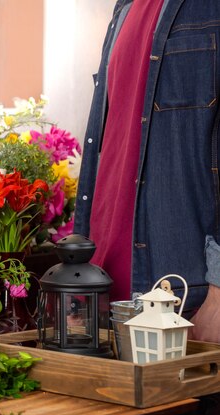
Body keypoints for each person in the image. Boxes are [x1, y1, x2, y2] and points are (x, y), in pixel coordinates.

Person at [75, 0, 220, 341]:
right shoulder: (124, 8)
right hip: (107, 298)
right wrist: (78, 285)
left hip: (185, 303)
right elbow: (108, 146)